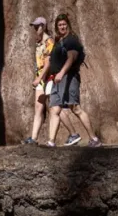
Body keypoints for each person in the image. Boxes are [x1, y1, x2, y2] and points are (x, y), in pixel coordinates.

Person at [45, 11, 99, 147]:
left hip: (68, 78)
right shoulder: (60, 41)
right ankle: (51, 141)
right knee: (54, 109)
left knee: (75, 108)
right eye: (59, 25)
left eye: (64, 24)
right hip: (57, 80)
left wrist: (61, 73)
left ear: (68, 25)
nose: (62, 27)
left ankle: (94, 139)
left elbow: (72, 58)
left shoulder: (71, 40)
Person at [28, 17, 52, 143]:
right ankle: (33, 138)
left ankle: (72, 133)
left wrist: (39, 78)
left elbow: (48, 64)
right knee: (38, 107)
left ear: (43, 26)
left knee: (54, 108)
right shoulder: (39, 43)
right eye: (35, 27)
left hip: (48, 79)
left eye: (38, 27)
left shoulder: (49, 42)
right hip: (40, 79)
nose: (36, 29)